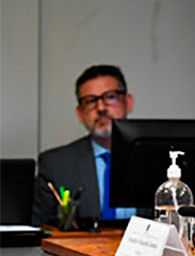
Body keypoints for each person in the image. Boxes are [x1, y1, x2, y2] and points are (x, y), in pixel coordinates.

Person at [31, 65, 138, 227]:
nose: (101, 108)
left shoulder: (160, 158)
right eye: (90, 101)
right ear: (80, 113)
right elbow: (39, 228)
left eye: (110, 97)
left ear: (128, 102)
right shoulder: (55, 165)